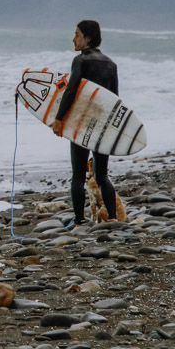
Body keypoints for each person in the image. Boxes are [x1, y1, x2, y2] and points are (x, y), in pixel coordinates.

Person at [51, 20, 119, 225]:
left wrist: (59, 118)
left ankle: (79, 221)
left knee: (78, 176)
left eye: (77, 34)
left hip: (82, 125)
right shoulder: (111, 65)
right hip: (102, 126)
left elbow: (71, 91)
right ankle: (113, 219)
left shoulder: (80, 61)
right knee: (102, 175)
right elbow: (115, 99)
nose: (73, 38)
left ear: (87, 38)